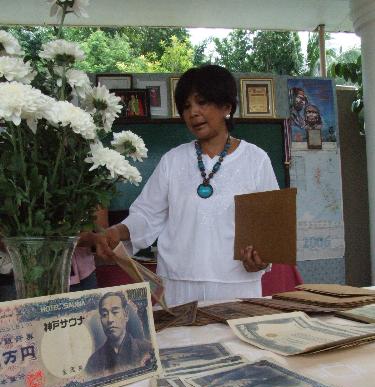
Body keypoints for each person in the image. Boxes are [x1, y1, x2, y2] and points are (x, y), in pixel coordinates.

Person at [90, 64, 279, 306]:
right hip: (178, 286)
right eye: (187, 106)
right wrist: (117, 231)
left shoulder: (256, 159)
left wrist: (262, 259)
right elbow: (147, 215)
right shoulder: (173, 160)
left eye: (202, 103)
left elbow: (270, 227)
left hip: (237, 285)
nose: (193, 113)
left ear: (226, 107)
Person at [85, 291, 152, 373]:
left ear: (126, 314)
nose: (110, 320)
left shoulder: (147, 349)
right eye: (104, 314)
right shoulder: (93, 361)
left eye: (115, 312)